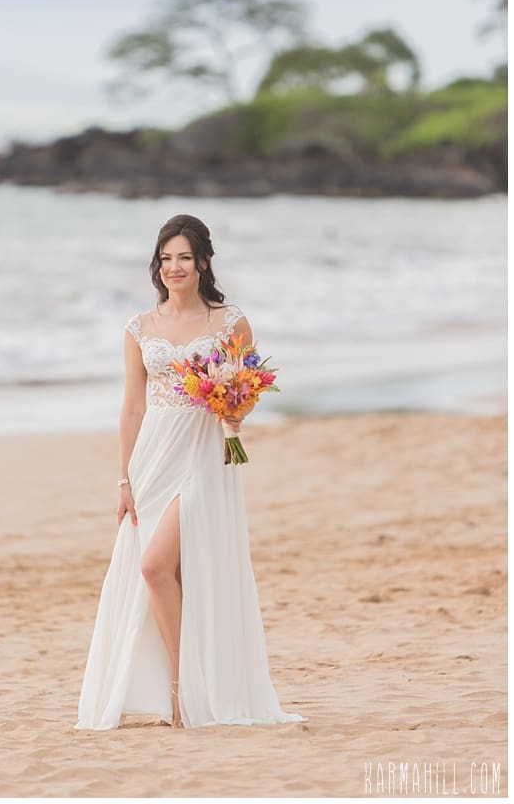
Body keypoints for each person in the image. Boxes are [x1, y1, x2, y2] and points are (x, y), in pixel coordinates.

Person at [74, 214, 308, 730]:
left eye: (184, 257)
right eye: (165, 258)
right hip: (153, 455)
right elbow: (132, 407)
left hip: (205, 454)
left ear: (203, 262)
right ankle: (176, 690)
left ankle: (185, 693)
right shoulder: (139, 327)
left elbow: (245, 394)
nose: (173, 267)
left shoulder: (231, 322)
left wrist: (235, 410)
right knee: (167, 574)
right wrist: (123, 480)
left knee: (155, 566)